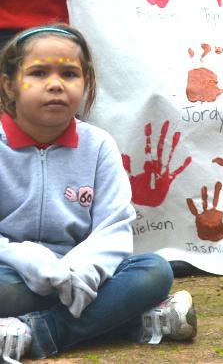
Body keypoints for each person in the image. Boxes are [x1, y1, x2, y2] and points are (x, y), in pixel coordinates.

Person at [0, 24, 196, 361]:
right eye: (38, 73)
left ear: (86, 83)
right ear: (8, 85)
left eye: (69, 74)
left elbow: (114, 228)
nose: (56, 84)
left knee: (155, 271)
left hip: (87, 276)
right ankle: (131, 321)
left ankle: (39, 332)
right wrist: (25, 258)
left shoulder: (99, 146)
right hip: (15, 274)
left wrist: (80, 270)